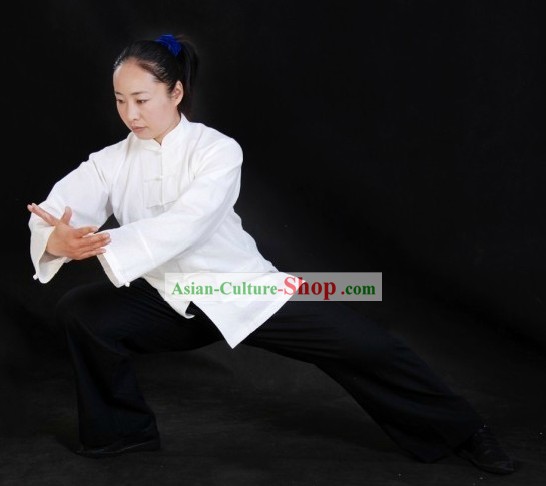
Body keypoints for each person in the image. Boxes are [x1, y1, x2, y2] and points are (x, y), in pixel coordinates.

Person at [27, 33, 516, 475]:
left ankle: (464, 432)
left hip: (238, 287)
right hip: (166, 299)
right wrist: (58, 241)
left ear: (175, 93)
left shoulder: (217, 151)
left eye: (141, 99)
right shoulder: (111, 162)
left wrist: (102, 244)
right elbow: (55, 210)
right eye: (120, 101)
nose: (130, 114)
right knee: (83, 312)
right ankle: (121, 434)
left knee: (368, 346)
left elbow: (188, 225)